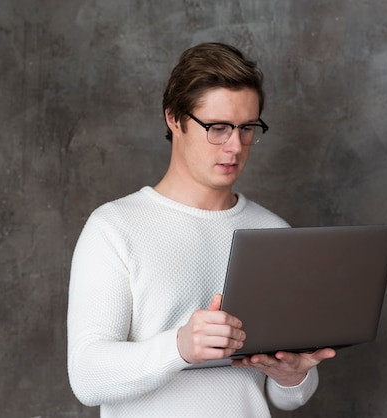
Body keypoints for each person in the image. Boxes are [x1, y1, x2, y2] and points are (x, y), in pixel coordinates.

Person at [67, 42, 336, 417]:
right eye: (218, 127)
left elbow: (288, 398)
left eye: (247, 128)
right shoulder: (114, 227)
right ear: (174, 119)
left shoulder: (274, 231)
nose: (235, 146)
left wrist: (293, 376)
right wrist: (178, 346)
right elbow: (86, 377)